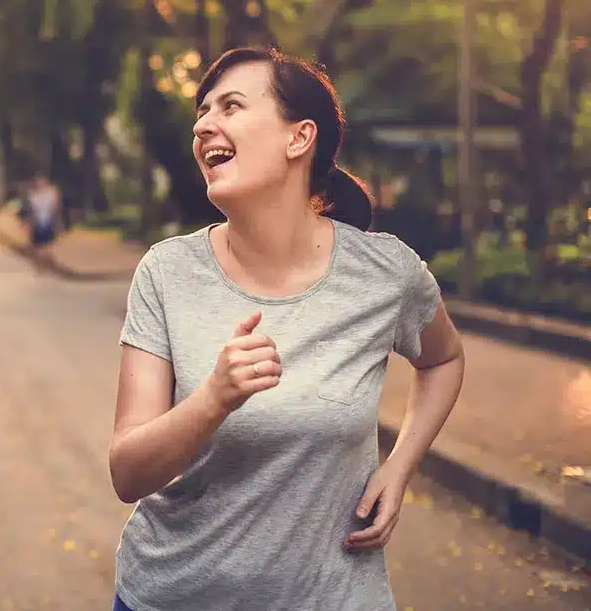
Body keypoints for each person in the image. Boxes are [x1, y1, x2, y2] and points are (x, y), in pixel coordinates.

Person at [108, 47, 465, 611]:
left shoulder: (384, 273)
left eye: (230, 106)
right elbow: (127, 473)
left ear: (299, 138)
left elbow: (443, 360)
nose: (204, 125)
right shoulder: (167, 272)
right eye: (202, 112)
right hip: (173, 596)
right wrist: (213, 400)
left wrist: (399, 468)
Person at [23, 174, 62, 266]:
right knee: (37, 246)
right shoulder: (33, 195)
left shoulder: (51, 192)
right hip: (38, 222)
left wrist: (58, 223)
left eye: (42, 181)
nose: (40, 183)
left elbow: (56, 208)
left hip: (48, 221)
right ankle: (42, 263)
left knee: (48, 244)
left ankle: (46, 262)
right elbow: (31, 212)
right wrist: (28, 224)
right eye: (38, 181)